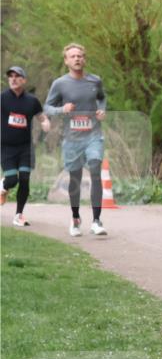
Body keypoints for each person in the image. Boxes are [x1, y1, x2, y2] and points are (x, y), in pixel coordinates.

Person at [44, 43, 110, 237]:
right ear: (66, 61)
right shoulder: (60, 84)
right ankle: (75, 218)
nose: (77, 59)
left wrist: (102, 109)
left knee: (96, 168)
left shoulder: (94, 80)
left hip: (93, 135)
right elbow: (47, 107)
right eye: (72, 56)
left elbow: (102, 98)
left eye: (80, 56)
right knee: (76, 178)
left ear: (85, 59)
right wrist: (61, 110)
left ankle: (97, 221)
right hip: (72, 138)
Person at [1, 66, 51, 226]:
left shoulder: (32, 101)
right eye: (11, 76)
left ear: (24, 80)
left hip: (25, 147)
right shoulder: (2, 98)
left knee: (24, 179)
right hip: (6, 147)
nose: (13, 79)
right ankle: (3, 185)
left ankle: (19, 215)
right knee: (12, 180)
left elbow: (41, 117)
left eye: (17, 76)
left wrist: (45, 123)